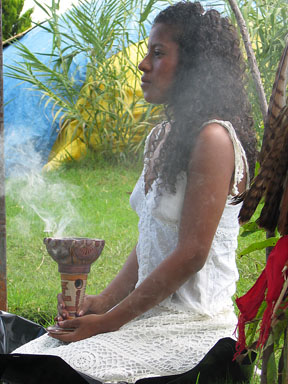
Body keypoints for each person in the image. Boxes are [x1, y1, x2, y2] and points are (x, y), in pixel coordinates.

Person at [13, 1, 257, 383]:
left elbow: (192, 254)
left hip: (193, 326)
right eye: (147, 52)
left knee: (66, 370)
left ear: (193, 66)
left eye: (158, 54)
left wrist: (109, 321)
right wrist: (102, 302)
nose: (142, 64)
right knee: (30, 356)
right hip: (148, 315)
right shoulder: (162, 137)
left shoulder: (214, 139)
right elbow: (151, 238)